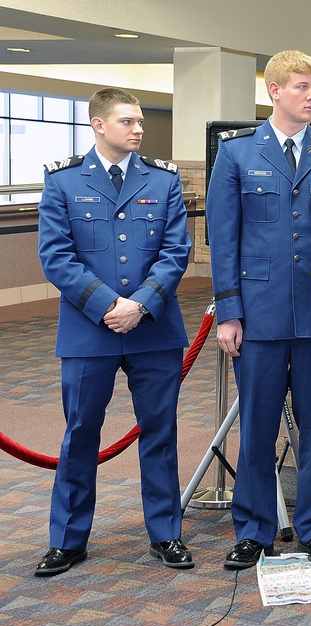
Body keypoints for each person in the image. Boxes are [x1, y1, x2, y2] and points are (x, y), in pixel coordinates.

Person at [207, 50, 311, 569]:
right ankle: (254, 529)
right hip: (260, 312)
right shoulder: (237, 153)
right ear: (273, 91)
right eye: (300, 87)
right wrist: (228, 311)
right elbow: (223, 240)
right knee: (257, 425)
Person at [35, 87, 193, 576]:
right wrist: (108, 306)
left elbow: (176, 252)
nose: (138, 129)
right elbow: (56, 257)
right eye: (127, 121)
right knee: (80, 433)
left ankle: (166, 534)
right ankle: (67, 540)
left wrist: (139, 306)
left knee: (160, 433)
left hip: (154, 329)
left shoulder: (163, 181)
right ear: (98, 125)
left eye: (140, 121)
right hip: (89, 331)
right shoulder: (63, 182)